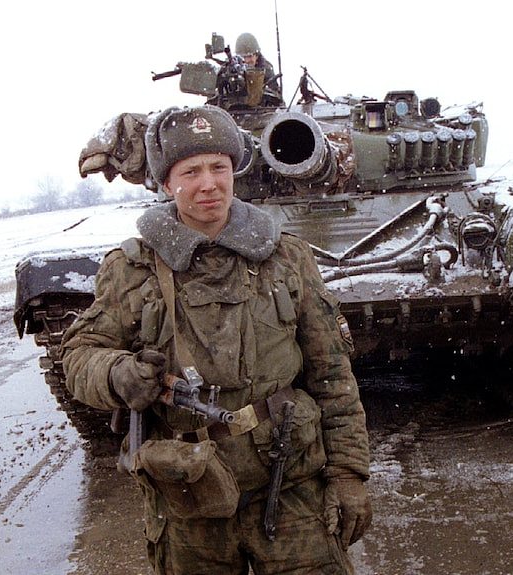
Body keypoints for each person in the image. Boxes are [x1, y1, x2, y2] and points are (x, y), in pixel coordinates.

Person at [61, 105, 371, 574]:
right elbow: (80, 356)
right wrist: (116, 373)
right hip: (188, 492)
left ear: (234, 172)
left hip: (290, 484)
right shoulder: (131, 269)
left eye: (218, 168)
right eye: (191, 171)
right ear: (167, 183)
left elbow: (331, 373)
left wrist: (348, 473)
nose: (208, 183)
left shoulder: (286, 257)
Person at [234, 32, 282, 99]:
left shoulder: (266, 69)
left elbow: (276, 95)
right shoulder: (234, 69)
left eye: (250, 56)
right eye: (243, 57)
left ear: (256, 55)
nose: (247, 60)